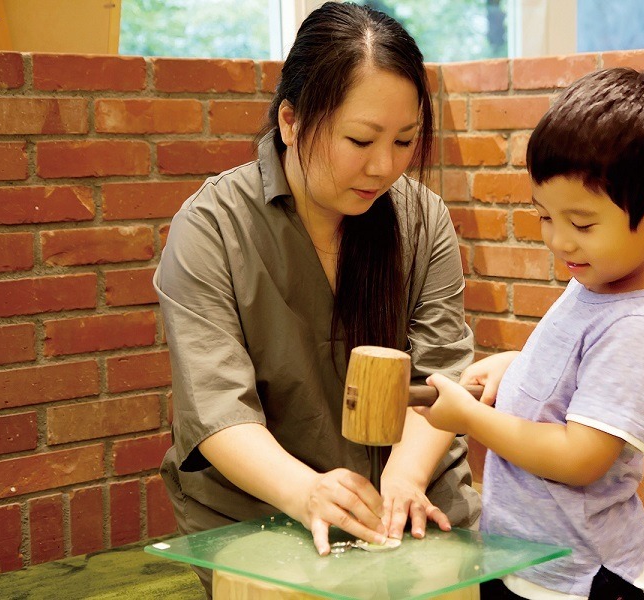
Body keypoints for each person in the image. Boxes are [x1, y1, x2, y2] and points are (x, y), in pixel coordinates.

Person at [154, 2, 480, 595]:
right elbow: (217, 411)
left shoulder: (422, 217)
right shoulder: (211, 227)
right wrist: (307, 491)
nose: (384, 167)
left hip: (408, 494)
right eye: (359, 139)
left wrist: (404, 479)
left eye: (405, 141)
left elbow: (444, 377)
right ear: (290, 121)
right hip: (265, 504)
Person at [416, 67, 644, 600]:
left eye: (582, 223)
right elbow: (575, 367)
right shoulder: (596, 277)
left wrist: (473, 419)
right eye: (545, 217)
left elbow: (579, 458)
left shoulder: (642, 328)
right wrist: (514, 365)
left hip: (581, 577)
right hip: (524, 555)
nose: (559, 241)